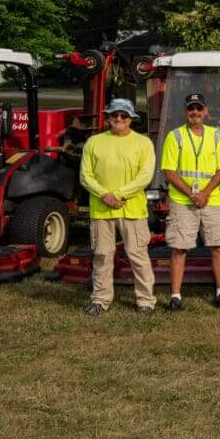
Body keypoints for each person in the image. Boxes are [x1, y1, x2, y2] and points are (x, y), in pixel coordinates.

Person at [81, 99, 157, 315]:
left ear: (131, 118)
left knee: (138, 255)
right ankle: (100, 299)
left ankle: (145, 301)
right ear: (108, 117)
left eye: (124, 116)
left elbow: (145, 176)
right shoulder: (93, 143)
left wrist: (119, 195)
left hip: (132, 208)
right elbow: (85, 176)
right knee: (102, 255)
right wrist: (105, 195)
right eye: (115, 115)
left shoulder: (143, 143)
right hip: (101, 208)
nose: (119, 119)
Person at [160, 93, 220, 310]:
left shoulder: (217, 136)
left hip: (212, 200)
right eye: (191, 108)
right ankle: (176, 296)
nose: (195, 112)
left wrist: (205, 193)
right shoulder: (175, 136)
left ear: (206, 112)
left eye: (199, 108)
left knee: (218, 246)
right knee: (179, 248)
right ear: (185, 112)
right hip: (183, 201)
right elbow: (169, 172)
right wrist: (193, 193)